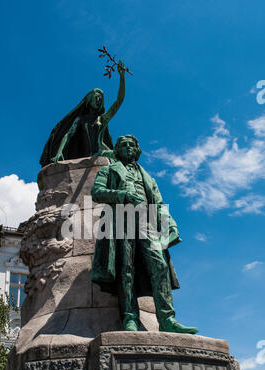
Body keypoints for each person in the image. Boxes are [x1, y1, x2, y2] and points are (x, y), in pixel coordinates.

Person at [91, 135, 198, 334]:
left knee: (160, 265)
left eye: (132, 144)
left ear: (137, 150)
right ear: (116, 150)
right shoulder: (109, 169)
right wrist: (122, 195)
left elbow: (158, 205)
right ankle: (130, 318)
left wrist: (170, 226)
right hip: (122, 218)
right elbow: (97, 192)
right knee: (126, 268)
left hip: (146, 220)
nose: (128, 147)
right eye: (123, 144)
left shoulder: (148, 177)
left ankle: (167, 320)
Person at [40, 61, 126, 167]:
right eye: (96, 98)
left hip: (102, 153)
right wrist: (59, 152)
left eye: (100, 99)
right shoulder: (81, 119)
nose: (98, 100)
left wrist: (122, 77)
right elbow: (68, 135)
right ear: (89, 100)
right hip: (87, 156)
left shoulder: (102, 119)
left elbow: (119, 101)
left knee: (124, 156)